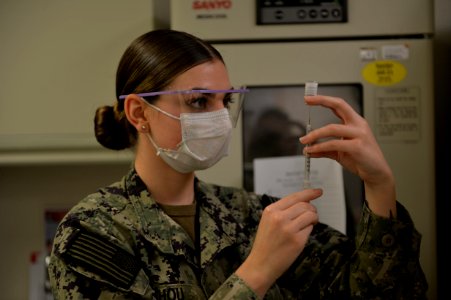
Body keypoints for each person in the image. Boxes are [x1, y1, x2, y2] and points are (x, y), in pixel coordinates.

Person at [48, 29, 427, 299]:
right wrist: (257, 273)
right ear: (138, 112)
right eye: (198, 101)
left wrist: (379, 186)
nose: (219, 117)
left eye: (224, 102)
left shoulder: (251, 215)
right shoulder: (93, 235)